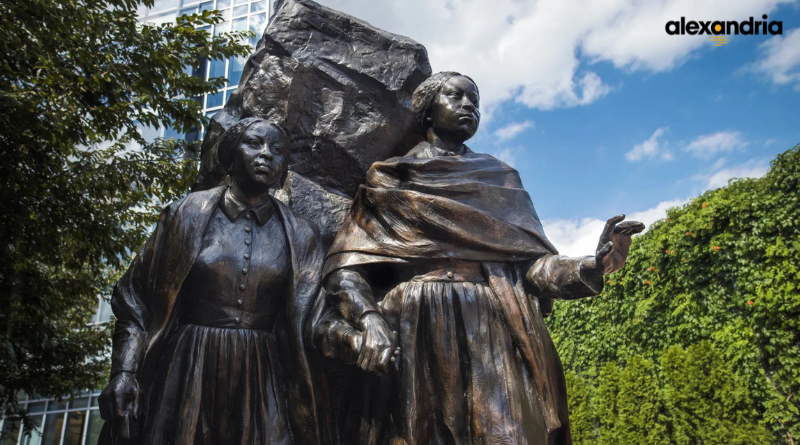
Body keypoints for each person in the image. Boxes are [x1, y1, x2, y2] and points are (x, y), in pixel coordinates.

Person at [320, 72, 645, 445]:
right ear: (427, 111)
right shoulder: (391, 179)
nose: (469, 105)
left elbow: (534, 269)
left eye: (474, 100)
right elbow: (345, 271)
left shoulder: (501, 179)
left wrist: (591, 264)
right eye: (455, 96)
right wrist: (370, 319)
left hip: (491, 321)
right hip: (414, 323)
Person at [97, 118, 330, 445]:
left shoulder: (301, 233)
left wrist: (352, 335)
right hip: (189, 364)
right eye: (254, 144)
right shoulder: (184, 215)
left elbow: (316, 315)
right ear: (231, 156)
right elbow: (134, 299)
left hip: (263, 374)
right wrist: (124, 371)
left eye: (277, 150)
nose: (266, 155)